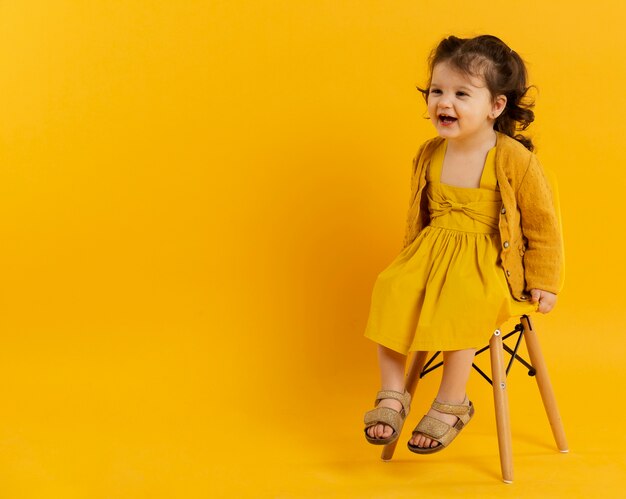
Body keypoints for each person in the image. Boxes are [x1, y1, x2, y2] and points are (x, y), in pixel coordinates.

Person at [362, 34, 563, 454]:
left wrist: (545, 280)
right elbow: (418, 217)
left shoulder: (513, 159)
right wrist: (408, 261)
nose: (444, 103)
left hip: (489, 262)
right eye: (437, 91)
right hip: (432, 253)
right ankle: (393, 394)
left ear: (495, 106)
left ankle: (452, 401)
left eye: (460, 94)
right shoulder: (430, 153)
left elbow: (543, 226)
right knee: (391, 288)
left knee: (464, 300)